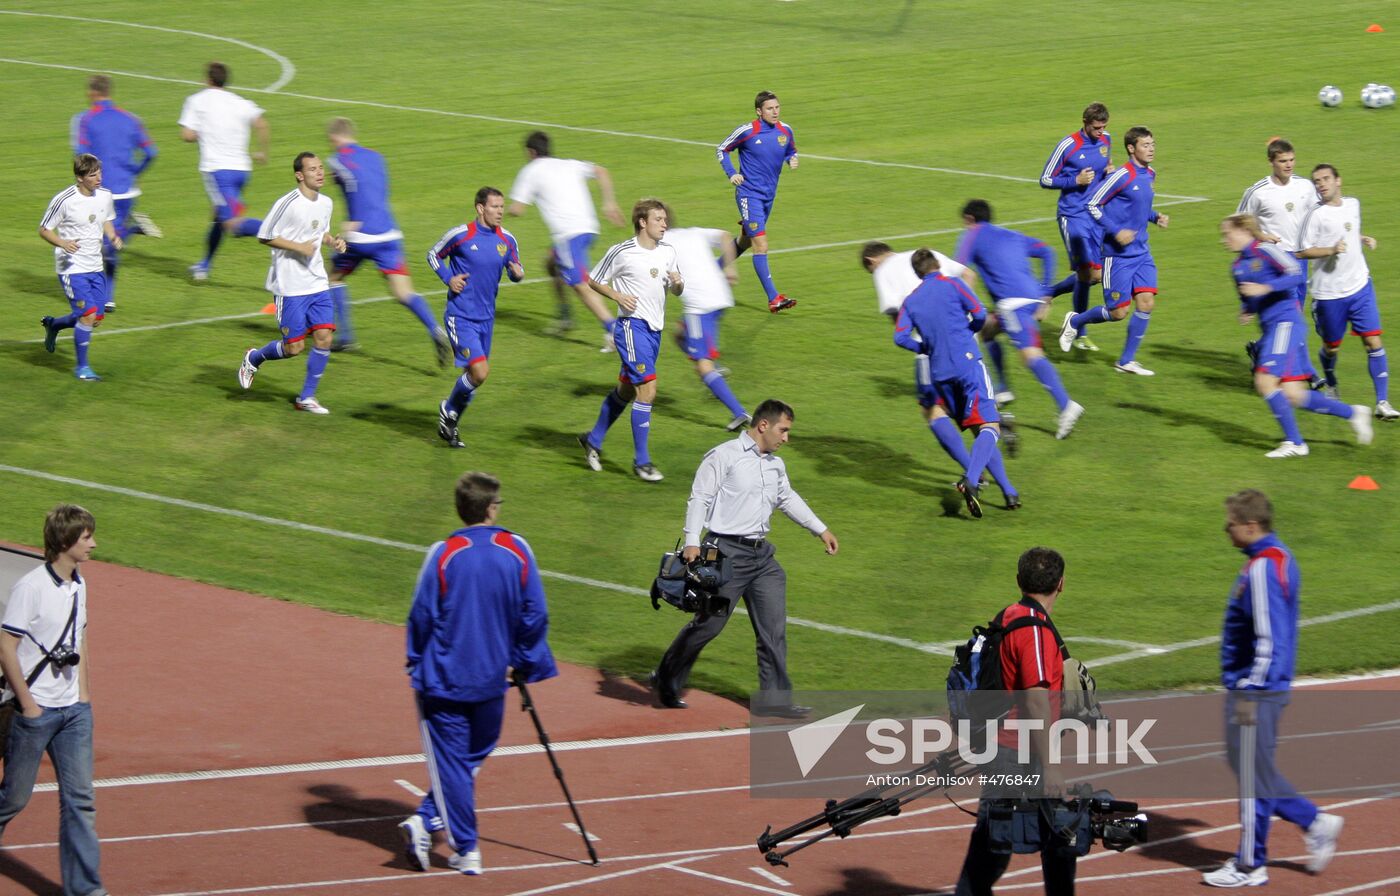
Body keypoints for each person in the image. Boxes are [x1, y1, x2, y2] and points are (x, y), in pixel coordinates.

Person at [398, 472, 557, 876]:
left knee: (456, 758)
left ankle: (459, 843)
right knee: (473, 752)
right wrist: (523, 661)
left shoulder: (444, 553)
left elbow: (421, 613)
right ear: (490, 508)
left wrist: (415, 659)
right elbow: (535, 613)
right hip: (491, 677)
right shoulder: (517, 549)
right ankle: (433, 823)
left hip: (443, 678)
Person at [652, 399, 838, 717]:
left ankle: (775, 700)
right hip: (725, 556)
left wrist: (820, 529)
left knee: (773, 630)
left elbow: (787, 498)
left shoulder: (775, 464)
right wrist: (693, 542)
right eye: (784, 430)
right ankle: (667, 678)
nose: (786, 438)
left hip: (762, 560)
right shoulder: (724, 456)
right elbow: (700, 497)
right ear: (763, 425)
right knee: (709, 626)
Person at [1203, 490, 1344, 887]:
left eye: (1230, 523)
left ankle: (1250, 864)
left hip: (1257, 690)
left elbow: (1270, 639)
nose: (1225, 529)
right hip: (1260, 687)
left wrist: (1249, 687)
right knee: (1247, 764)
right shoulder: (1274, 556)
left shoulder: (1265, 567)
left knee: (1250, 772)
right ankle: (1313, 821)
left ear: (1251, 526)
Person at [954, 546, 1075, 896]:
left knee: (1056, 841)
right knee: (993, 850)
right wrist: (1051, 766)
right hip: (1019, 752)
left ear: (1019, 581)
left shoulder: (1009, 614)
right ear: (1061, 584)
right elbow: (1036, 700)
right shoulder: (1035, 630)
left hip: (1007, 746)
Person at [0, 504, 105, 896]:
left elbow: (81, 639)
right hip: (36, 712)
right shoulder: (31, 587)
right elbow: (6, 647)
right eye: (86, 538)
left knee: (80, 802)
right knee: (14, 798)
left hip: (74, 714)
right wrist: (29, 706)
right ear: (65, 542)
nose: (93, 544)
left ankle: (85, 890)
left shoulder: (79, 584)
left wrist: (83, 695)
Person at [1221, 214, 1371, 457]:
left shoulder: (1266, 249)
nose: (1224, 240)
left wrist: (1265, 287)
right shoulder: (1237, 267)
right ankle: (1354, 413)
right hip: (1271, 328)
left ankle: (1295, 443)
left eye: (1227, 234)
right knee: (1293, 394)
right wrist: (1247, 310)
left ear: (1243, 230)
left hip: (1286, 323)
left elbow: (1296, 273)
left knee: (1264, 382)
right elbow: (1247, 297)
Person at [861, 241, 1021, 464]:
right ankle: (999, 425)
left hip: (932, 349)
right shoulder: (927, 254)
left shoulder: (882, 271)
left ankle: (974, 474)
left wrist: (922, 332)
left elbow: (897, 321)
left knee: (932, 410)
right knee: (971, 401)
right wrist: (962, 315)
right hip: (965, 340)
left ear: (871, 261)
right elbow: (969, 274)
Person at [895, 249, 1018, 516]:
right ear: (938, 264)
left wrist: (923, 347)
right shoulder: (953, 283)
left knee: (978, 429)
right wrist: (969, 330)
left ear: (917, 273)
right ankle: (971, 481)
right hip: (968, 364)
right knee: (989, 426)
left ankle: (1010, 492)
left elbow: (900, 337)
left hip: (940, 372)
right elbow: (980, 313)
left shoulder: (911, 300)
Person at [324, 117, 450, 364]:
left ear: (334, 138)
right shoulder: (377, 157)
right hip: (389, 233)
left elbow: (352, 194)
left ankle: (346, 336)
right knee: (404, 292)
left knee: (333, 277)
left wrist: (348, 226)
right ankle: (435, 328)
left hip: (360, 235)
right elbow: (376, 191)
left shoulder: (335, 161)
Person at [957, 200, 1085, 439]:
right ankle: (1003, 390)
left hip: (1012, 304)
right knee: (988, 330)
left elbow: (961, 270)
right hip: (1032, 299)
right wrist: (1046, 291)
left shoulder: (972, 235)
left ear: (970, 219)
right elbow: (1048, 251)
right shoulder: (1012, 235)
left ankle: (1066, 406)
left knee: (1031, 356)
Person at [577, 199, 683, 482]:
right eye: (658, 219)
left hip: (654, 331)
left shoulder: (668, 252)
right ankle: (642, 462)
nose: (664, 223)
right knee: (647, 390)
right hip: (631, 328)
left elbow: (678, 289)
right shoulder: (622, 252)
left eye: (664, 219)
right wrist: (617, 296)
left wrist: (678, 283)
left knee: (625, 391)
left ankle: (593, 439)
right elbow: (593, 279)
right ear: (642, 222)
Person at [236, 152, 347, 414]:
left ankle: (306, 397)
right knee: (294, 348)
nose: (319, 173)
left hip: (317, 282)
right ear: (300, 175)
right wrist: (298, 247)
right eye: (312, 169)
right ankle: (254, 358)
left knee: (324, 338)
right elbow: (264, 235)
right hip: (290, 287)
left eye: (321, 168)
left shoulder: (326, 202)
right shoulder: (288, 203)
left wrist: (333, 241)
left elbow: (320, 231)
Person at [1057, 126, 1169, 375]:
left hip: (1142, 253)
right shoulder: (1121, 176)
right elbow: (1092, 205)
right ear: (1131, 148)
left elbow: (1137, 208)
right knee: (1118, 312)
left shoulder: (1150, 174)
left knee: (1146, 303)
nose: (1151, 149)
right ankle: (1075, 321)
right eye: (1145, 145)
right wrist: (1116, 231)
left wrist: (1154, 217)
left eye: (1153, 144)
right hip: (1117, 256)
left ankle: (1126, 361)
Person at [1297, 164, 1399, 419]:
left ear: (1338, 181)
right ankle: (1330, 381)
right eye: (1317, 181)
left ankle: (1383, 403)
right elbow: (1302, 251)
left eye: (1325, 179)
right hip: (1329, 295)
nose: (1321, 184)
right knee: (1331, 348)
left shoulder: (1353, 204)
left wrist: (1362, 238)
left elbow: (1347, 229)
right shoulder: (1314, 215)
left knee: (1373, 341)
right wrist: (1331, 250)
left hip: (1360, 286)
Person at [427, 188, 525, 449]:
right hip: (460, 316)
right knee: (480, 372)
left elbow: (516, 269)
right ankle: (448, 410)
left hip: (487, 318)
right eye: (494, 207)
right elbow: (433, 255)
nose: (500, 212)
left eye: (502, 207)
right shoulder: (461, 235)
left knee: (471, 378)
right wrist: (449, 279)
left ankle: (450, 423)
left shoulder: (507, 239)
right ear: (480, 208)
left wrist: (517, 273)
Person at [508, 130, 624, 346]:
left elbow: (517, 209)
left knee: (579, 283)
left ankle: (613, 330)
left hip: (569, 235)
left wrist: (496, 211)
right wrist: (609, 203)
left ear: (530, 152)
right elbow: (601, 171)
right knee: (551, 263)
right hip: (589, 229)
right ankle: (565, 315)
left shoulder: (530, 171)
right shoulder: (569, 164)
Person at [72, 74, 159, 313]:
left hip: (99, 191)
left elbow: (80, 155)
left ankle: (103, 294)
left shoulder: (85, 120)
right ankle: (107, 297)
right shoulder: (131, 119)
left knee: (99, 244)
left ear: (92, 92)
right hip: (126, 192)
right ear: (109, 91)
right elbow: (151, 152)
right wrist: (136, 173)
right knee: (106, 243)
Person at [1237, 139, 1321, 381]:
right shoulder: (1258, 191)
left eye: (1292, 160)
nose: (1289, 165)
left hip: (1300, 258)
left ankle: (1260, 350)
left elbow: (1318, 214)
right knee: (1292, 316)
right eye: (1283, 161)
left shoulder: (1305, 186)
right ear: (1271, 161)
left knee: (1291, 316)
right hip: (1272, 263)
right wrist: (1261, 236)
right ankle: (1307, 373)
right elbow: (1239, 223)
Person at [179, 61, 270, 281]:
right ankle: (204, 265)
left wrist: (203, 132)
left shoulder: (197, 100)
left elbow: (187, 135)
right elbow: (262, 124)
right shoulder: (239, 102)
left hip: (218, 172)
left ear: (207, 79)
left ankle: (279, 232)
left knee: (231, 223)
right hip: (242, 171)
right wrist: (261, 152)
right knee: (219, 217)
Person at [1040, 102, 1114, 351]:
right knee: (1086, 274)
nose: (1100, 132)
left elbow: (1105, 165)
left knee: (1095, 276)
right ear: (1085, 122)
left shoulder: (1106, 140)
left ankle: (1051, 291)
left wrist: (1109, 173)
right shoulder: (1068, 145)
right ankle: (1079, 332)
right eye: (1096, 127)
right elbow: (1046, 179)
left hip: (1097, 215)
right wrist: (1075, 180)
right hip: (1073, 216)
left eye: (1104, 127)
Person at [39, 153, 119, 382]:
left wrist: (112, 236)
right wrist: (63, 243)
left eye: (99, 173)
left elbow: (106, 219)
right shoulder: (64, 200)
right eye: (93, 175)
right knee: (88, 314)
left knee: (95, 318)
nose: (99, 178)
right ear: (79, 177)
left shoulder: (104, 195)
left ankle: (53, 325)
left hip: (95, 265)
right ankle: (82, 368)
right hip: (71, 267)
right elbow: (44, 229)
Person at [665, 216, 751, 429]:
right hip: (721, 297)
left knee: (702, 365)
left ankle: (739, 412)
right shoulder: (692, 232)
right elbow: (724, 236)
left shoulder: (661, 247)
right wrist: (731, 266)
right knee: (679, 334)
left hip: (699, 305)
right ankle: (717, 371)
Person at [717, 91, 798, 313]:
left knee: (744, 241)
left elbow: (790, 150)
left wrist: (792, 158)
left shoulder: (785, 130)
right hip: (748, 194)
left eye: (777, 107)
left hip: (768, 196)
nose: (775, 112)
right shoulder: (748, 131)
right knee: (760, 244)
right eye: (770, 109)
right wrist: (732, 173)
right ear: (759, 111)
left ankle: (713, 272)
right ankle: (774, 298)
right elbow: (722, 149)